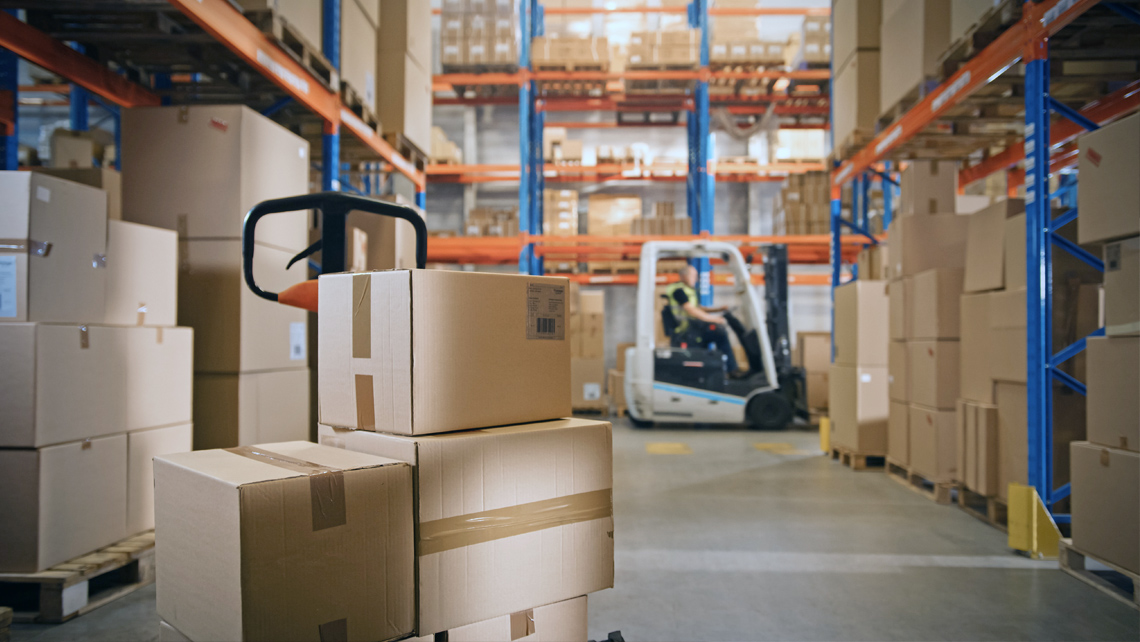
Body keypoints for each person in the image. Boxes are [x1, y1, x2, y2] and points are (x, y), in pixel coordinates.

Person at [665, 265, 739, 373]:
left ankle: (727, 369)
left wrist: (719, 309)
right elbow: (691, 310)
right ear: (684, 276)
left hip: (693, 327)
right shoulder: (679, 291)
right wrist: (714, 319)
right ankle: (731, 369)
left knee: (719, 333)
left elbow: (698, 308)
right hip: (686, 330)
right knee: (719, 332)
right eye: (693, 276)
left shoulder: (688, 290)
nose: (695, 279)